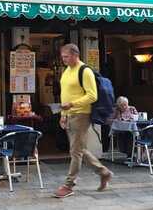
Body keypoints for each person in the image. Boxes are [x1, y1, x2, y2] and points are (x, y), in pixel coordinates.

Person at [54, 43, 113, 199]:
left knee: (75, 151)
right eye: (62, 57)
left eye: (66, 56)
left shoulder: (85, 71)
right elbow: (65, 94)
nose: (63, 59)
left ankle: (69, 185)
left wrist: (72, 105)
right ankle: (104, 173)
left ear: (75, 55)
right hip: (69, 115)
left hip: (81, 115)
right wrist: (63, 114)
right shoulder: (66, 71)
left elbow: (92, 95)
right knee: (79, 149)